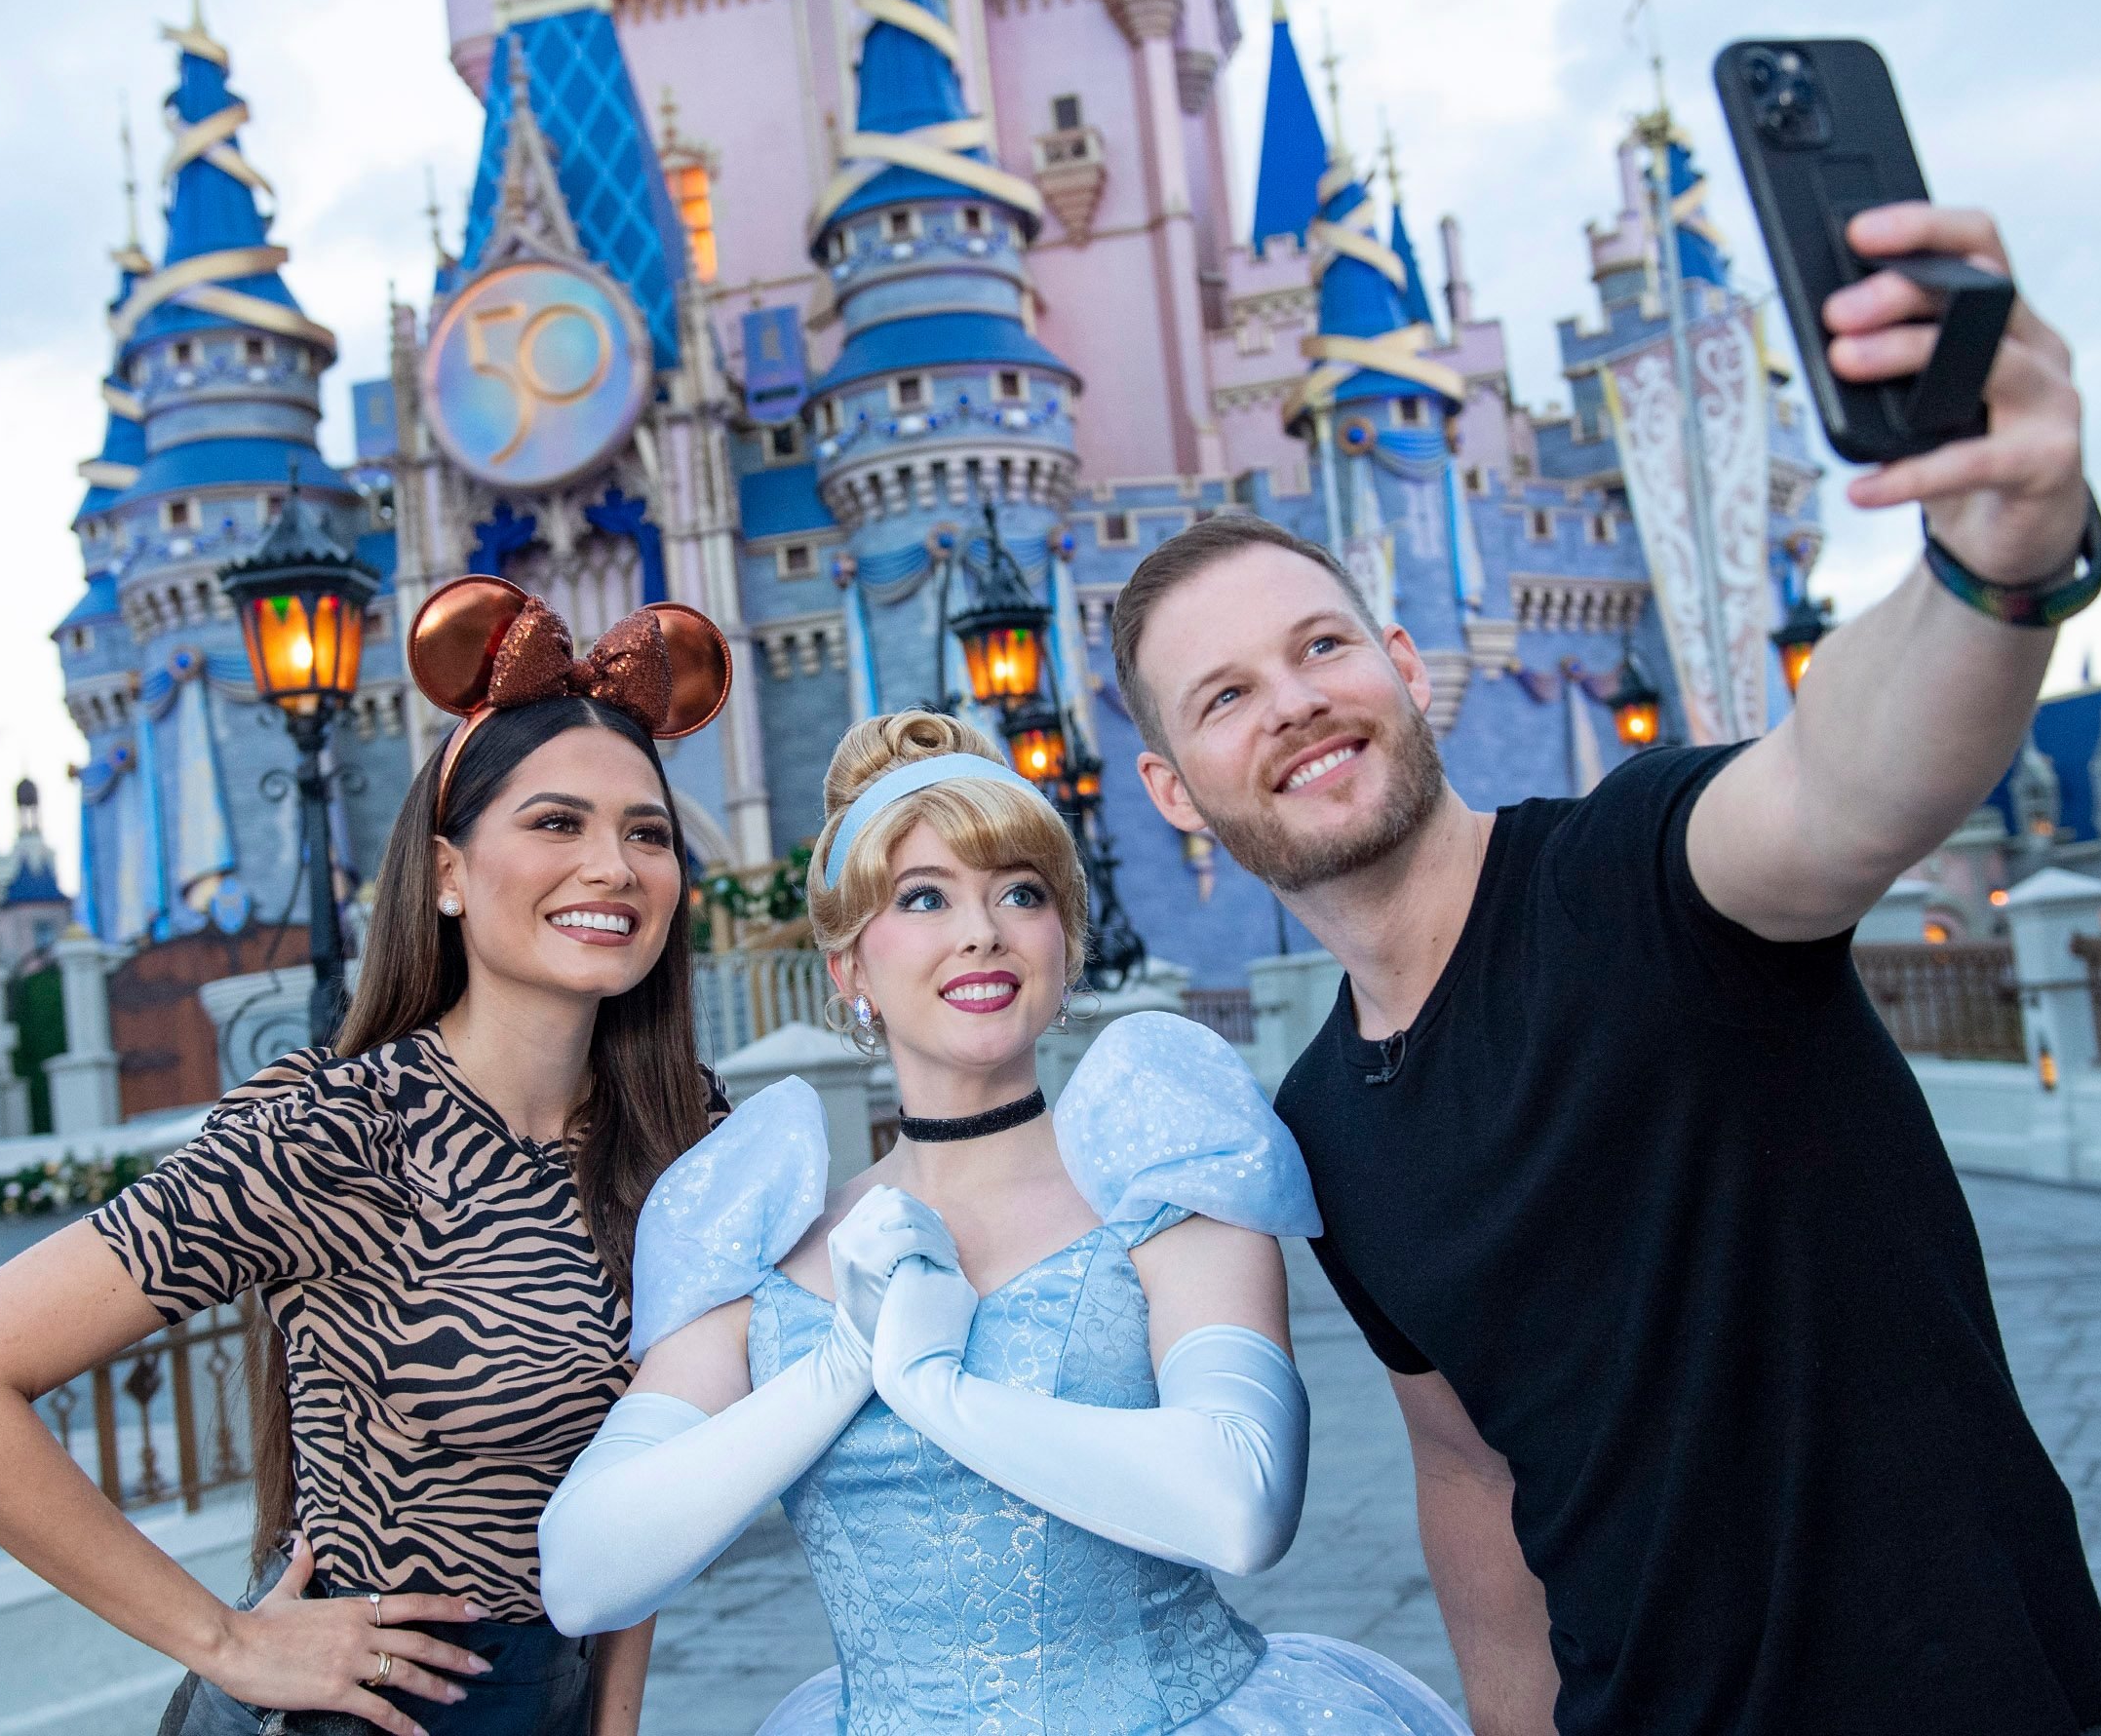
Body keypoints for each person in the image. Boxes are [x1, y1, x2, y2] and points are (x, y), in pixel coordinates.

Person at [1110, 201, 2101, 1736]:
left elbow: (1842, 788)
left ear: (1404, 657)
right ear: (1174, 791)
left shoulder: (1637, 872)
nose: (1298, 705)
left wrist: (1996, 561)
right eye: (1228, 694)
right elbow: (1470, 1472)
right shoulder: (1321, 1121)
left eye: (1323, 648)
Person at [0, 581, 734, 1736]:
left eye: (647, 832)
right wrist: (229, 1644)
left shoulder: (677, 1134)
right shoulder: (341, 1130)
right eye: (556, 823)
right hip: (359, 1710)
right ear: (450, 875)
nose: (613, 867)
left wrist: (614, 1722)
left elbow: (639, 1482)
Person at [533, 709, 1470, 1735]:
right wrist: (841, 1362)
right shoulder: (769, 1239)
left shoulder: (1158, 1176)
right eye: (924, 897)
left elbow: (1243, 1503)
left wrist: (935, 1390)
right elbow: (584, 1575)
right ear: (850, 970)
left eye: (1020, 893)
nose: (981, 930)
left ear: (1063, 945)